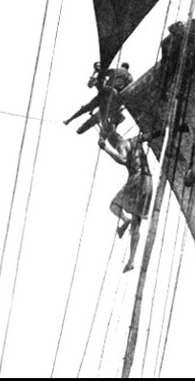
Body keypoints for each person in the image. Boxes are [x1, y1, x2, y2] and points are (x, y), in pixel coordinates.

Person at [99, 127, 158, 273]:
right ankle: (131, 260)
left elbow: (123, 159)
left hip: (136, 180)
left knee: (114, 205)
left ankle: (125, 220)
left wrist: (105, 148)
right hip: (148, 181)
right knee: (137, 223)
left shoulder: (121, 144)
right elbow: (150, 134)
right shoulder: (135, 140)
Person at [63, 63, 133, 135]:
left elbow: (103, 73)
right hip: (114, 97)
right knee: (100, 116)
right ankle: (82, 130)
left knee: (87, 107)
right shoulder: (130, 77)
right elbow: (128, 90)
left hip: (105, 91)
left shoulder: (116, 70)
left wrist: (96, 70)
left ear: (122, 66)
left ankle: (69, 120)